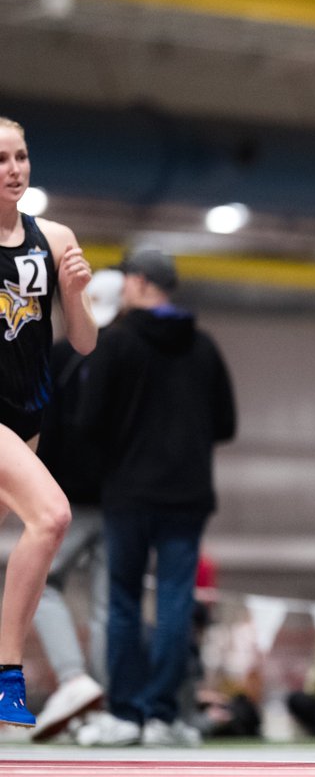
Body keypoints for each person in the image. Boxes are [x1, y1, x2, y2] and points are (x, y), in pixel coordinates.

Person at [73, 247, 236, 747]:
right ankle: (163, 717)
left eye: (124, 280)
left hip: (129, 493)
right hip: (186, 495)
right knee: (174, 603)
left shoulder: (116, 342)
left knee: (122, 601)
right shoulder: (203, 346)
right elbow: (225, 425)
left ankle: (125, 713)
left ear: (139, 282)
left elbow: (87, 421)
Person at [0, 116, 97, 728]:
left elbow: (84, 344)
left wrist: (78, 294)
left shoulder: (54, 237)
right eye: (1, 160)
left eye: (21, 157)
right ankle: (8, 672)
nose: (14, 169)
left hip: (29, 417)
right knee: (52, 516)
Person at [30, 268, 125, 741]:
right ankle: (99, 705)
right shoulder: (129, 356)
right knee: (110, 606)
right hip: (119, 500)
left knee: (39, 586)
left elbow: (40, 426)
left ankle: (75, 681)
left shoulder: (58, 356)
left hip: (65, 497)